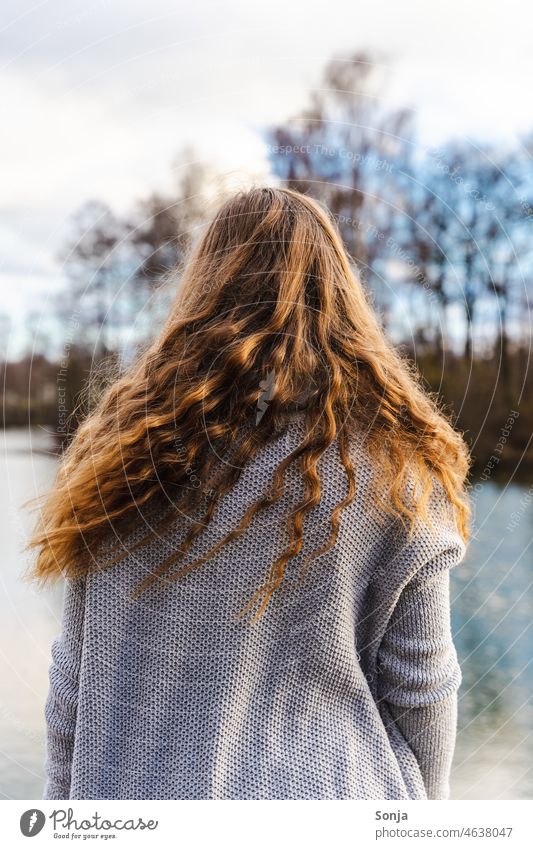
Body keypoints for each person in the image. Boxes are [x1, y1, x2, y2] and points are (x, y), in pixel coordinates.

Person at [27, 186, 471, 800]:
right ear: (339, 296)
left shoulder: (120, 458)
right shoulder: (395, 469)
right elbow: (421, 690)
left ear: (202, 287)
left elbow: (73, 688)